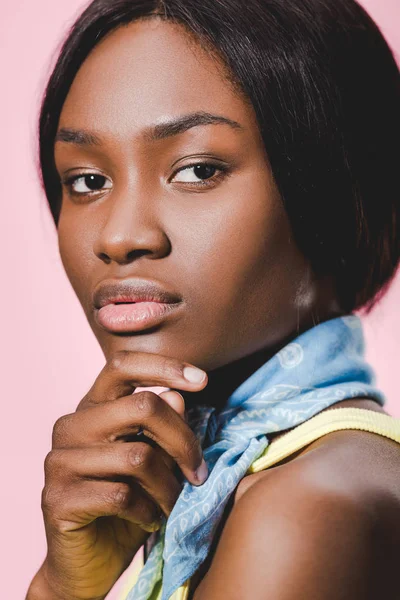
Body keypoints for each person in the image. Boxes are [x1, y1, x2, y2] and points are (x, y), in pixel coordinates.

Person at [26, 0, 400, 599]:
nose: (119, 237)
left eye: (197, 170)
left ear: (334, 189)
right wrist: (64, 586)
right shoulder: (255, 479)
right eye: (88, 181)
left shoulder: (301, 514)